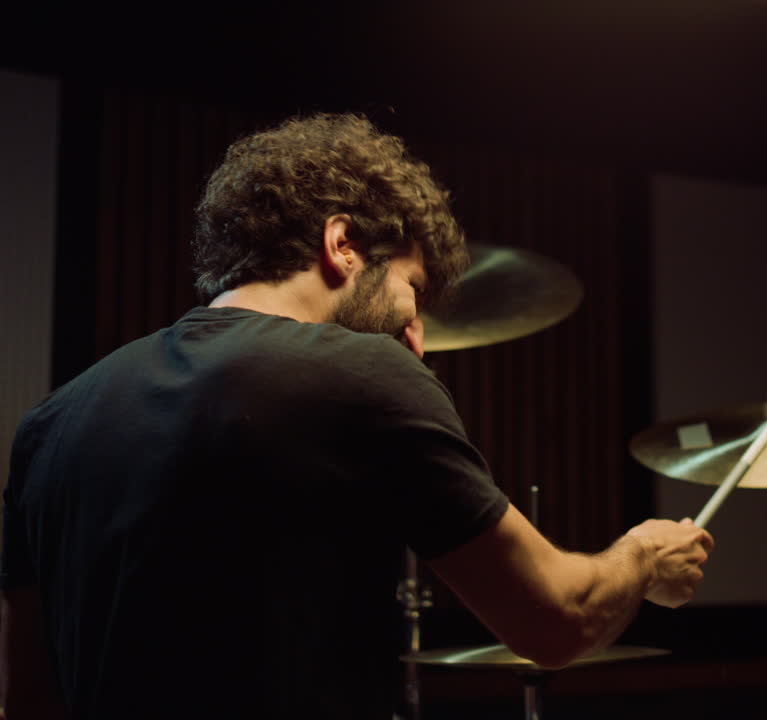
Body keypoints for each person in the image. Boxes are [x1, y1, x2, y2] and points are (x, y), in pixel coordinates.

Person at [0, 113, 713, 719]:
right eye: (411, 289)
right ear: (343, 245)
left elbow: (30, 698)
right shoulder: (360, 371)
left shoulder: (49, 424)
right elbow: (556, 621)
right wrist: (646, 554)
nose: (417, 336)